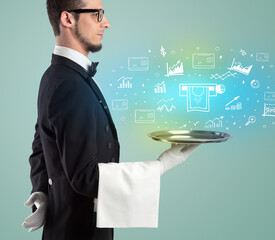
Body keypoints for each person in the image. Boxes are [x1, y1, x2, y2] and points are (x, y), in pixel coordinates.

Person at [22, 0, 199, 239]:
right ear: (67, 19)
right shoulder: (69, 85)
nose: (106, 22)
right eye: (97, 14)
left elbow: (42, 146)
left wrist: (42, 193)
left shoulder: (55, 75)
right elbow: (85, 177)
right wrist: (162, 165)